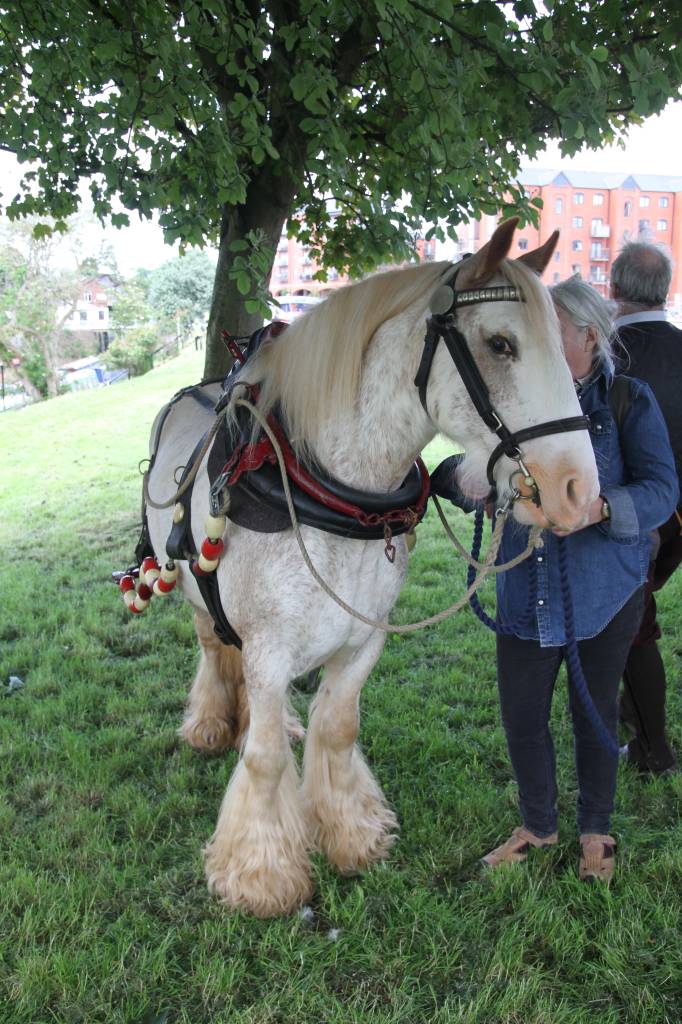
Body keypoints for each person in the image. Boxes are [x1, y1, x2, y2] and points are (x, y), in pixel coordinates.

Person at [432, 275, 678, 882]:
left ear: (589, 336)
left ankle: (597, 825)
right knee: (522, 716)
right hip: (524, 593)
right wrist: (464, 484)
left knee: (593, 713)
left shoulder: (628, 400)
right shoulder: (516, 405)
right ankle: (538, 826)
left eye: (552, 333)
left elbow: (661, 491)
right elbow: (470, 474)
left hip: (606, 593)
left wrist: (599, 508)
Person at [611, 242, 682, 775]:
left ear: (614, 289)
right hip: (676, 518)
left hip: (632, 518)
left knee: (635, 633)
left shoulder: (603, 355)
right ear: (666, 290)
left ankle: (654, 750)